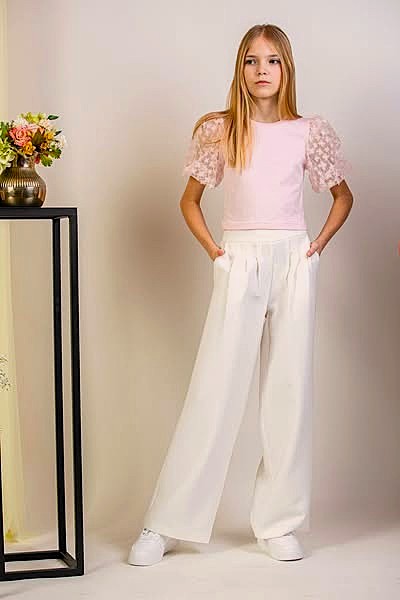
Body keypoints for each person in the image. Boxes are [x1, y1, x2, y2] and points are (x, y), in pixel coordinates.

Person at [128, 22, 353, 567]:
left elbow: (343, 197)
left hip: (293, 259)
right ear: (240, 69)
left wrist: (315, 248)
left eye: (272, 60)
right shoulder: (220, 130)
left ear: (286, 68)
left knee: (288, 391)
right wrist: (218, 253)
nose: (261, 70)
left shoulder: (309, 131)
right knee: (215, 387)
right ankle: (166, 523)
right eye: (251, 60)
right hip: (240, 258)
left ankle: (278, 523)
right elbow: (189, 201)